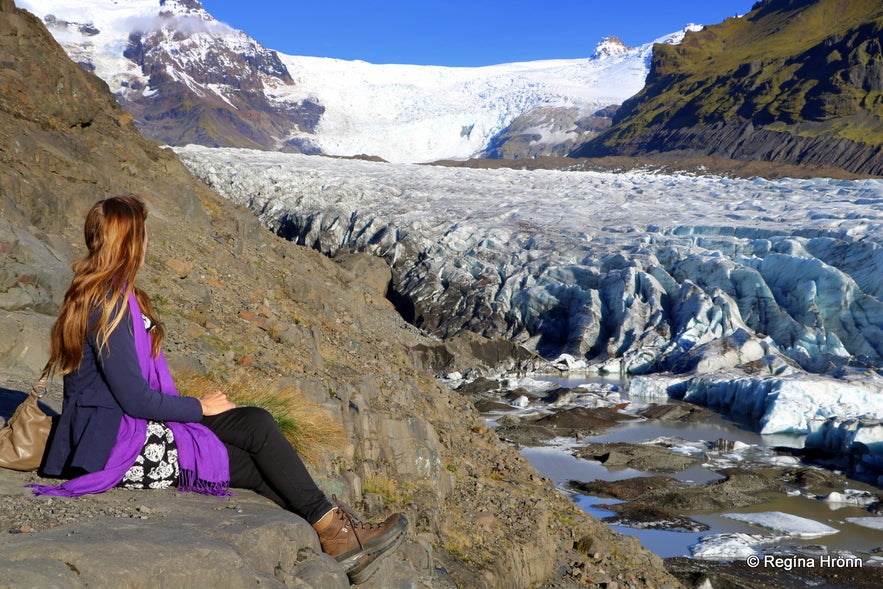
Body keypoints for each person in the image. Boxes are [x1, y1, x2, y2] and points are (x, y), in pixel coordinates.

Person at [32, 195, 407, 584]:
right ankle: (338, 535)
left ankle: (336, 530)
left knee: (256, 423)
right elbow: (135, 399)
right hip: (115, 444)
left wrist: (200, 408)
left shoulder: (103, 293)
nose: (148, 244)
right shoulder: (108, 304)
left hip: (119, 429)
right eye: (143, 235)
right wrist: (200, 407)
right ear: (129, 242)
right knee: (244, 463)